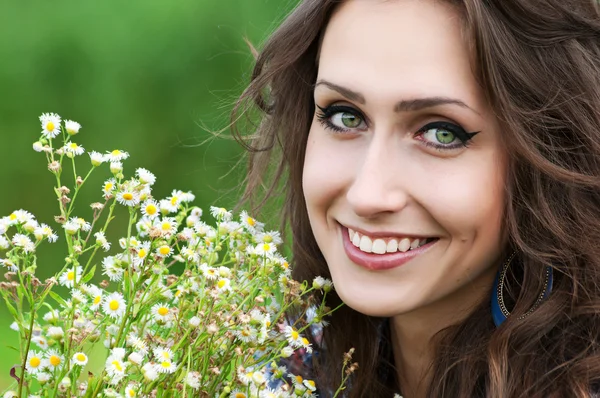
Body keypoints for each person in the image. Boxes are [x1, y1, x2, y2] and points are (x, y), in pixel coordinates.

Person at [232, 0, 600, 396]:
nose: (367, 195)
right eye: (345, 117)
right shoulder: (272, 362)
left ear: (547, 157)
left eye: (442, 133)